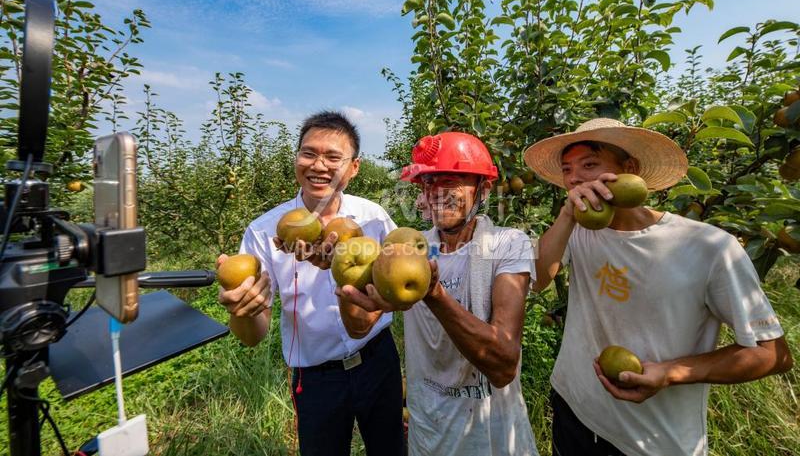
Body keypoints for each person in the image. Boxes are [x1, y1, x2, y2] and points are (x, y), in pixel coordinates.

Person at [524, 117, 794, 456]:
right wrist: (566, 215)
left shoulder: (709, 248)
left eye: (589, 165)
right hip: (574, 410)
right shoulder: (580, 231)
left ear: (630, 169)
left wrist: (670, 373)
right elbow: (536, 279)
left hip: (651, 442)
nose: (575, 178)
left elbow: (773, 355)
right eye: (567, 170)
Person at [339, 132, 540, 456]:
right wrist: (341, 281)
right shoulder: (408, 247)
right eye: (429, 183)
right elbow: (359, 326)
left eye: (450, 182)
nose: (436, 193)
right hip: (430, 429)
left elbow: (503, 366)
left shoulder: (508, 244)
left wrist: (435, 295)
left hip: (492, 435)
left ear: (483, 190)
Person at [216, 111, 404, 456]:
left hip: (378, 361)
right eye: (309, 153)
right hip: (316, 378)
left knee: (391, 448)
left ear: (354, 168)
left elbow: (393, 288)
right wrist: (242, 309)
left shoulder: (373, 217)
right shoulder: (264, 231)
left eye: (333, 157)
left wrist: (362, 305)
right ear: (296, 158)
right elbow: (252, 336)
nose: (319, 165)